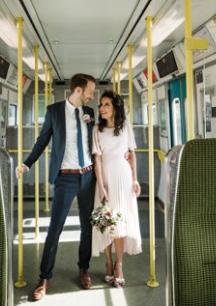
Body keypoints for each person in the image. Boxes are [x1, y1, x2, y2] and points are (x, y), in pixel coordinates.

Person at [16, 73, 97, 301]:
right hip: (65, 178)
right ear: (78, 90)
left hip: (88, 177)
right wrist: (26, 163)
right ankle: (44, 277)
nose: (92, 96)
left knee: (86, 227)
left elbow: (94, 142)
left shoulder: (89, 113)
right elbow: (42, 141)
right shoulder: (54, 112)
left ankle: (83, 268)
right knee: (55, 228)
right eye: (90, 91)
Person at [92, 90, 142, 288]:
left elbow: (131, 154)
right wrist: (101, 185)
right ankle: (108, 262)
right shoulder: (97, 130)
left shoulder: (125, 127)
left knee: (120, 224)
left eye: (106, 105)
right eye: (101, 105)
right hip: (105, 178)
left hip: (123, 177)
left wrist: (135, 179)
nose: (102, 108)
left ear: (115, 109)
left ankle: (119, 264)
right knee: (106, 223)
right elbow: (97, 158)